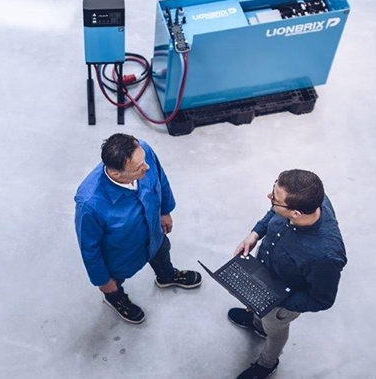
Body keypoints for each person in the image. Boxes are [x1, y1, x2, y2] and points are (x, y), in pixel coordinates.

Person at [229, 169, 347, 379]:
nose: (269, 197)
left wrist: (275, 301)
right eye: (274, 189)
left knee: (274, 330)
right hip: (264, 273)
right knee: (259, 314)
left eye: (274, 198)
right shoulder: (308, 200)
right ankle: (256, 322)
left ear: (296, 214)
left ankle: (267, 363)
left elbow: (322, 299)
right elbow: (273, 212)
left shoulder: (325, 256)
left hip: (282, 302)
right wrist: (255, 234)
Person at [74, 133, 202, 324]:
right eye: (139, 168)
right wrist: (103, 281)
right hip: (121, 255)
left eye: (143, 160)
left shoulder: (143, 153)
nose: (146, 166)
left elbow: (161, 177)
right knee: (115, 284)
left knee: (162, 253)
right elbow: (89, 249)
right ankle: (116, 299)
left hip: (154, 234)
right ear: (117, 173)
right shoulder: (90, 205)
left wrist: (165, 211)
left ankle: (167, 276)